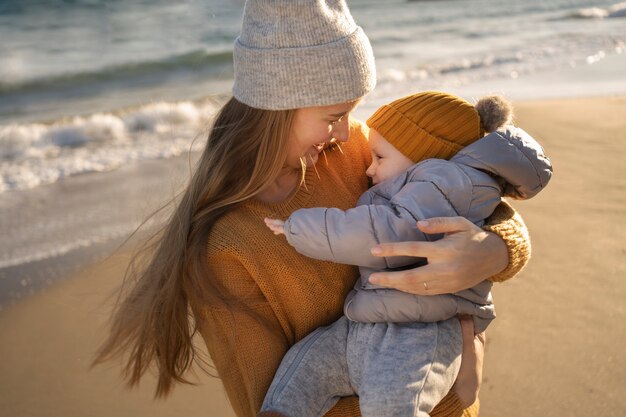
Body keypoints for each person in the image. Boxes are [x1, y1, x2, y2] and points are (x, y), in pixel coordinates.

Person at [94, 1, 533, 417]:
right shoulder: (225, 249)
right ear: (276, 108)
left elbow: (471, 194)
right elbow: (271, 405)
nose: (346, 131)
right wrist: (457, 392)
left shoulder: (359, 150)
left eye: (352, 112)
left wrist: (493, 252)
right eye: (333, 115)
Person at [261, 91, 552, 417]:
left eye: (380, 159)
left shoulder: (442, 184)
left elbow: (382, 232)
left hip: (419, 329)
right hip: (365, 323)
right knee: (306, 366)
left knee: (391, 404)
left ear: (423, 157)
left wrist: (299, 228)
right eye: (332, 115)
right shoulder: (425, 183)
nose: (369, 170)